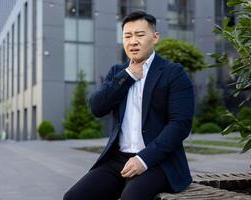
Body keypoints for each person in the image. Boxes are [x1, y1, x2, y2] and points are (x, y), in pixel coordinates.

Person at [63, 11, 195, 200]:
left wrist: (144, 159)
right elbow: (97, 107)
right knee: (74, 197)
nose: (133, 41)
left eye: (140, 35)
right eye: (127, 36)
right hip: (118, 160)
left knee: (131, 198)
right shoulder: (118, 72)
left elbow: (180, 124)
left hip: (158, 161)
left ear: (155, 37)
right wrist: (128, 76)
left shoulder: (173, 72)